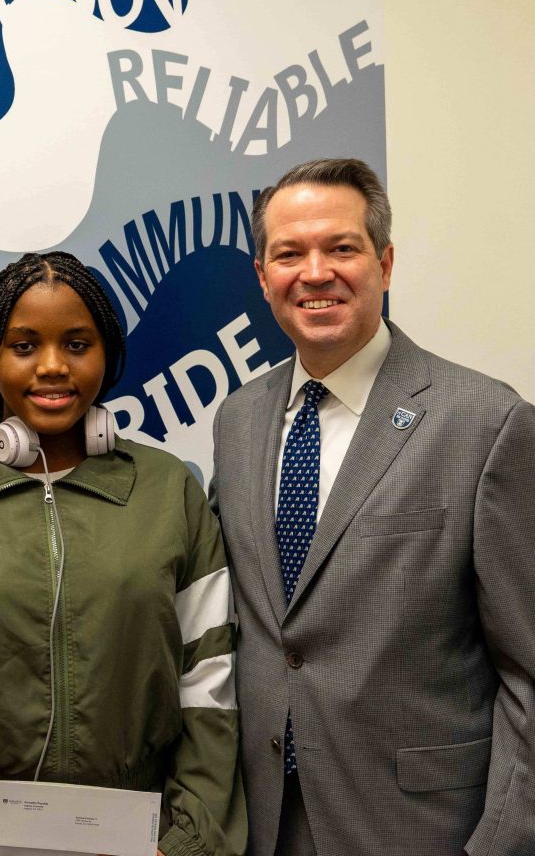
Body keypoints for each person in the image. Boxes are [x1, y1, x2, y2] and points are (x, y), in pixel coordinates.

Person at [0, 251, 247, 856]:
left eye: (76, 343)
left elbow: (210, 685)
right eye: (23, 345)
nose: (51, 367)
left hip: (144, 842)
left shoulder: (169, 489)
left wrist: (188, 843)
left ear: (107, 355)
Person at [210, 158, 535, 856]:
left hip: (421, 830)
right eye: (289, 253)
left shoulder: (484, 422)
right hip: (264, 822)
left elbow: (528, 668)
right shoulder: (236, 423)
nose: (316, 271)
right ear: (263, 277)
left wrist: (504, 842)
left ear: (384, 264)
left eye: (342, 248)